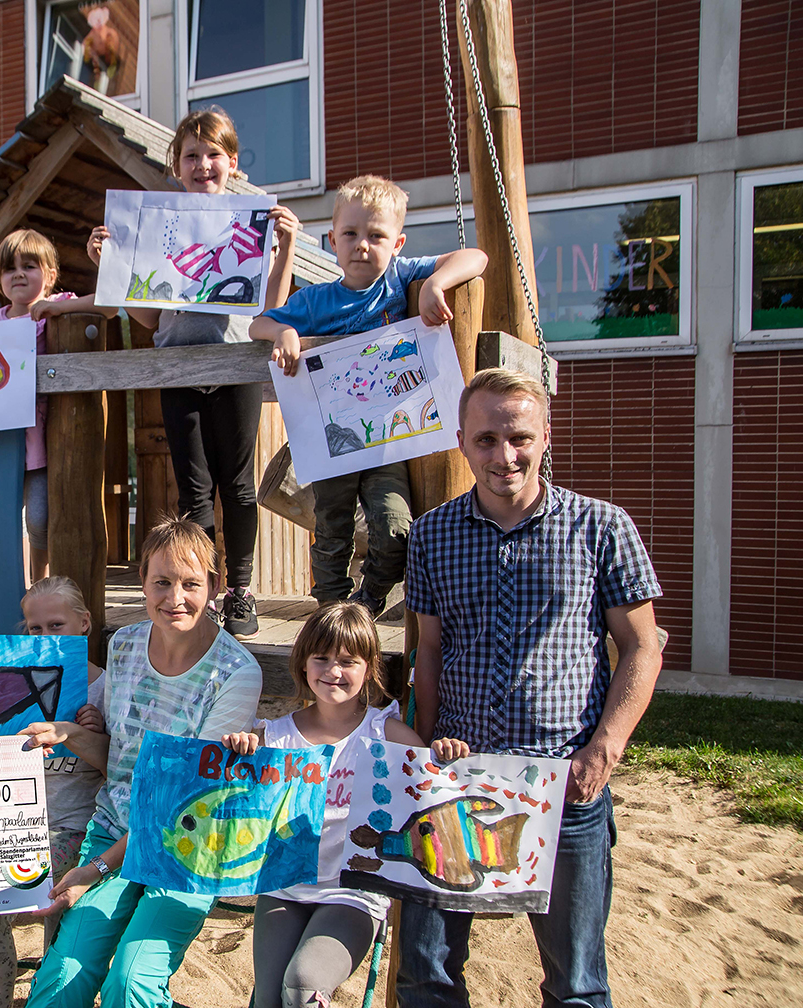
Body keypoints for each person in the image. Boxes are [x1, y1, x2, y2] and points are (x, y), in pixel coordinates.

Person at [398, 367, 666, 1008]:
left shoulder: (602, 527)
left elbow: (641, 647)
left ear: (546, 435)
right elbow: (428, 653)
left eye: (518, 437)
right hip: (456, 784)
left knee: (575, 980)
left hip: (565, 782)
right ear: (461, 441)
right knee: (427, 973)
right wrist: (423, 758)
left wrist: (604, 750)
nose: (503, 455)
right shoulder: (432, 535)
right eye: (485, 439)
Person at [23, 516, 262, 1008]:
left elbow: (186, 800)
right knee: (64, 972)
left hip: (189, 846)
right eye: (162, 582)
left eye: (192, 583)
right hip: (116, 828)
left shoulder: (237, 672)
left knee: (132, 978)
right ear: (142, 581)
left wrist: (96, 868)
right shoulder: (125, 645)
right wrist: (69, 733)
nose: (176, 597)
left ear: (214, 586)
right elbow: (120, 756)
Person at [87, 107, 301, 639]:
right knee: (194, 491)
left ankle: (241, 591)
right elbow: (151, 315)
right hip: (179, 367)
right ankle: (200, 589)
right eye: (191, 156)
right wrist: (107, 268)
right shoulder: (160, 225)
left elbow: (270, 308)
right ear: (176, 164)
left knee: (240, 487)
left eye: (213, 155)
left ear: (231, 162)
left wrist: (288, 245)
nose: (203, 164)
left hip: (234, 367)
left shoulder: (253, 224)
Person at [250, 175, 489, 616]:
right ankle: (329, 610)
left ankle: (370, 597)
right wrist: (284, 331)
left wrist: (436, 285)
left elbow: (476, 255)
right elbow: (257, 324)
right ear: (331, 241)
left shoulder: (399, 280)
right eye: (350, 235)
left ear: (397, 243)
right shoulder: (318, 300)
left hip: (387, 444)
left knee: (395, 524)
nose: (362, 245)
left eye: (376, 235)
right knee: (332, 527)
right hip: (334, 441)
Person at [222, 603, 467, 1008]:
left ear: (369, 668)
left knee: (303, 983)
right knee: (267, 998)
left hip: (353, 890)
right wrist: (240, 749)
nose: (333, 671)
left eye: (348, 661)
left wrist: (445, 755)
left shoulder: (384, 733)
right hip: (285, 887)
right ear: (303, 664)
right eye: (322, 658)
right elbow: (234, 799)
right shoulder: (276, 737)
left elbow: (434, 787)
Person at [0, 576, 110, 1008]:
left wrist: (85, 734)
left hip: (70, 828)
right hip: (7, 822)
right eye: (34, 629)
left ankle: (36, 995)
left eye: (56, 626)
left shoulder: (103, 690)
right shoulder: (10, 684)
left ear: (84, 623)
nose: (45, 636)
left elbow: (117, 768)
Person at [0, 229, 118, 582]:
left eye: (29, 265)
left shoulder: (58, 306)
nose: (19, 274)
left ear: (51, 276)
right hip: (4, 439)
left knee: (39, 517)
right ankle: (19, 585)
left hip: (46, 435)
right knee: (4, 517)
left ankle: (40, 581)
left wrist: (60, 307)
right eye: (9, 269)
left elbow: (110, 305)